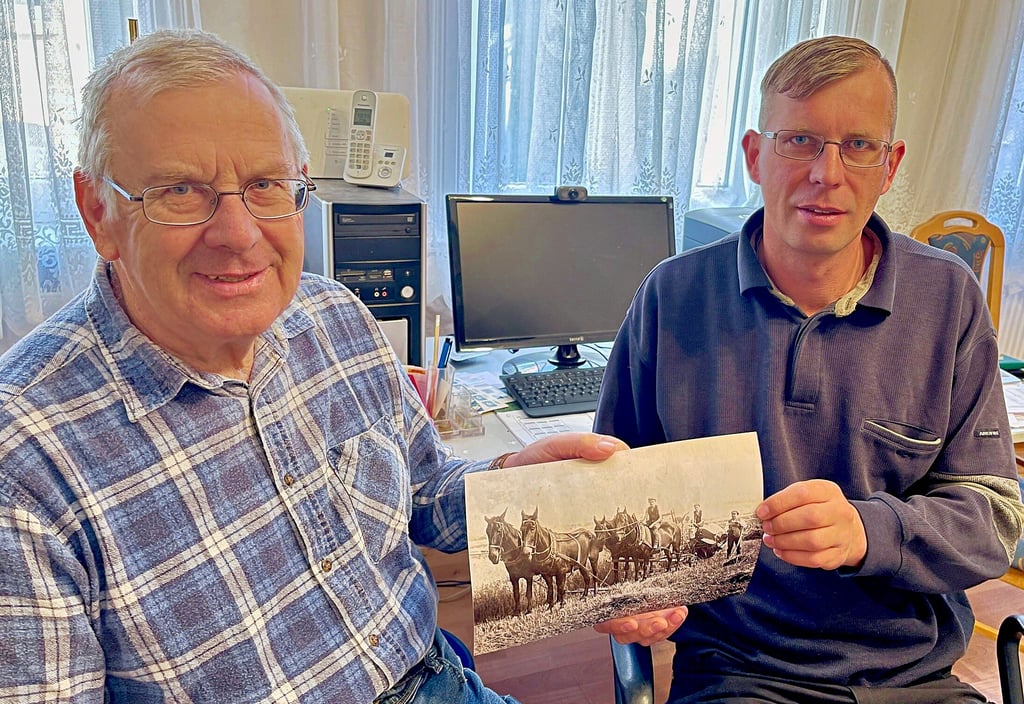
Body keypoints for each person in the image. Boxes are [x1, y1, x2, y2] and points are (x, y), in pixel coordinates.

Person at [0, 30, 627, 704]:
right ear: (99, 212)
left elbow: (423, 493)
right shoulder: (24, 460)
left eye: (266, 184)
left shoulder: (333, 317)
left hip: (438, 683)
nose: (239, 235)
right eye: (180, 190)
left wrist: (512, 483)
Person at [593, 35, 1024, 702]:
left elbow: (993, 521)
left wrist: (867, 530)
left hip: (916, 676)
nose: (828, 173)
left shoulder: (948, 299)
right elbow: (609, 497)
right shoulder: (672, 297)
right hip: (741, 671)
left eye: (858, 145)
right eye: (799, 141)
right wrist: (620, 593)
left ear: (890, 165)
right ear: (755, 156)